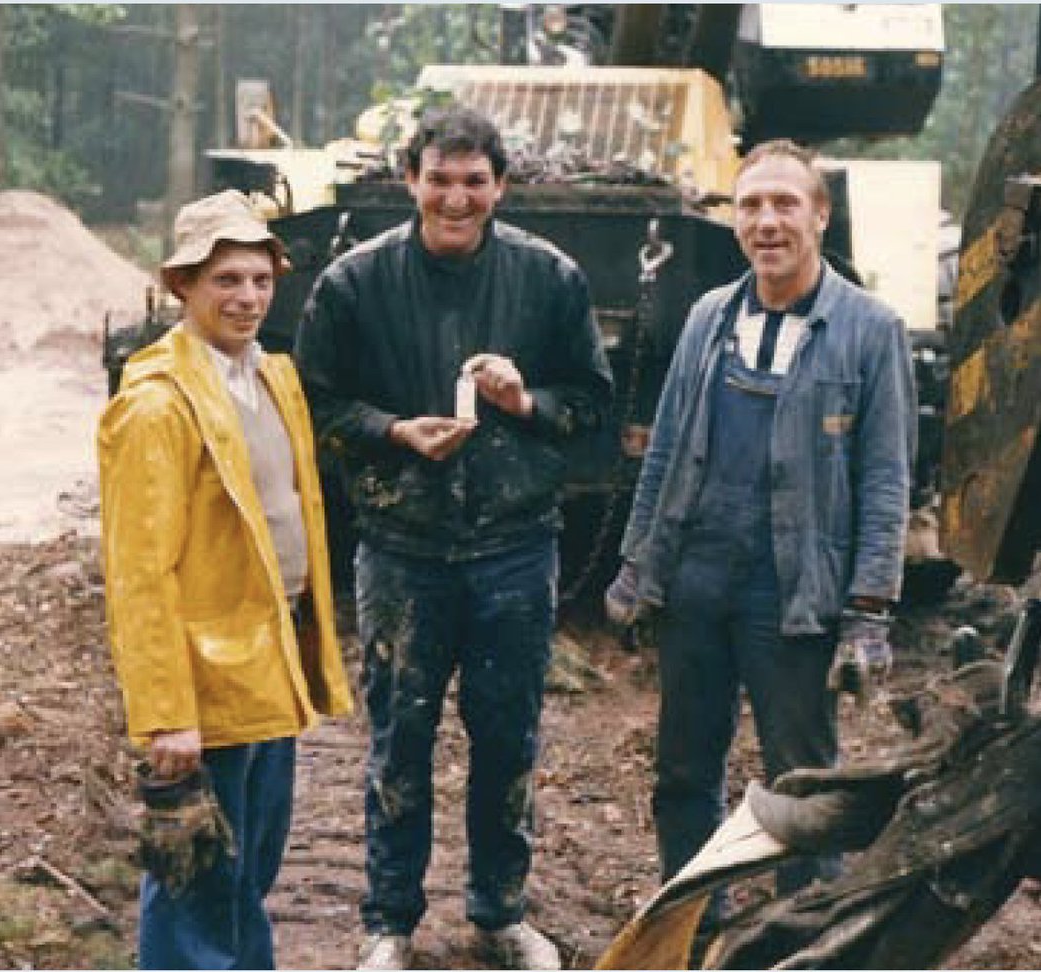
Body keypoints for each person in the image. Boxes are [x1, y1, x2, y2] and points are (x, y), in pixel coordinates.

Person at [295, 105, 613, 971]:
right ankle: (389, 924)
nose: (457, 197)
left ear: (500, 186)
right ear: (410, 180)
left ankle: (499, 913)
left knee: (508, 735)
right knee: (400, 737)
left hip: (515, 545)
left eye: (475, 181)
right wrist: (395, 432)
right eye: (439, 178)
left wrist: (524, 403)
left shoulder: (550, 280)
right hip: (403, 546)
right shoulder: (354, 285)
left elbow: (592, 403)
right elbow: (315, 404)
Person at [606, 139, 915, 905]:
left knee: (804, 784)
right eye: (750, 205)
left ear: (821, 214)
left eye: (784, 203)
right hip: (697, 581)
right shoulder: (710, 316)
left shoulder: (871, 329)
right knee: (683, 770)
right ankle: (693, 916)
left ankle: (805, 931)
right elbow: (669, 450)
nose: (767, 221)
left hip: (796, 592)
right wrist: (638, 567)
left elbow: (885, 481)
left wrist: (868, 612)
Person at [98, 189, 353, 970]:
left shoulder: (273, 378)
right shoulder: (156, 404)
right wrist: (166, 713)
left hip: (266, 660)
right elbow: (139, 572)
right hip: (203, 679)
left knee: (248, 869)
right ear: (182, 286)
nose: (247, 298)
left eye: (260, 280)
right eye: (225, 281)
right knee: (198, 876)